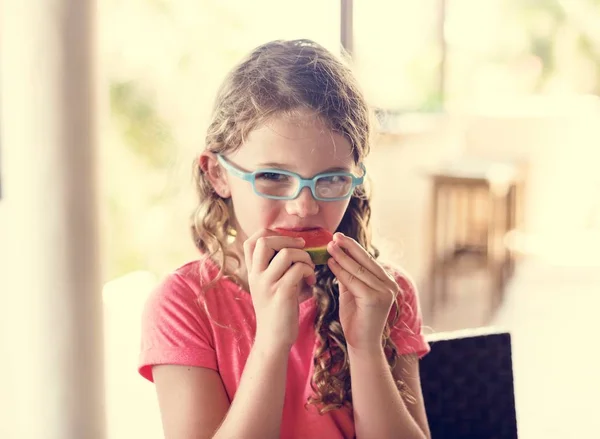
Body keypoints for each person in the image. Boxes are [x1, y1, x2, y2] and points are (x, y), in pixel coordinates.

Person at [138, 39, 431, 439]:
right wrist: (272, 342)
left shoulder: (385, 294)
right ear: (218, 174)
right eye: (274, 177)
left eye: (331, 179)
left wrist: (366, 347)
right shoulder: (183, 304)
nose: (304, 207)